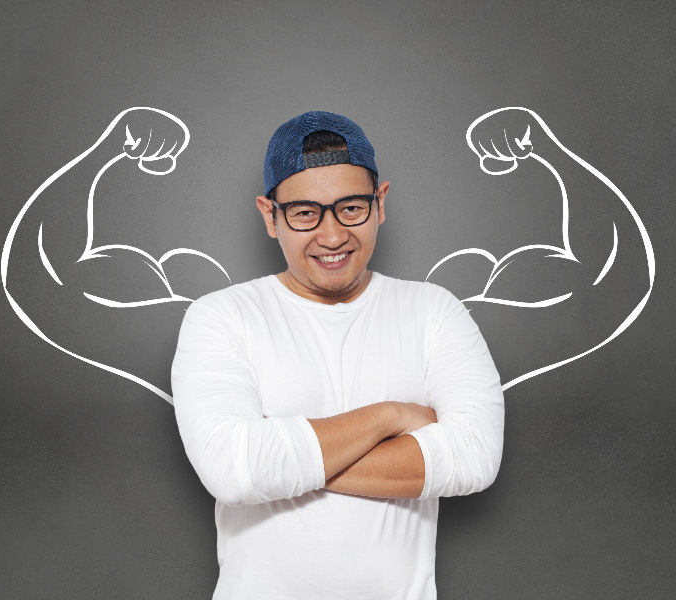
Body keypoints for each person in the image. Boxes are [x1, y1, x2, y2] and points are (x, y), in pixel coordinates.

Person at [170, 111, 504, 599]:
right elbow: (233, 470)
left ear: (380, 203)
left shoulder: (434, 311)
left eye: (351, 208)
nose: (331, 236)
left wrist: (282, 457)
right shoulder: (221, 317)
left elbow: (473, 458)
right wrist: (389, 415)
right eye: (305, 213)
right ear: (270, 215)